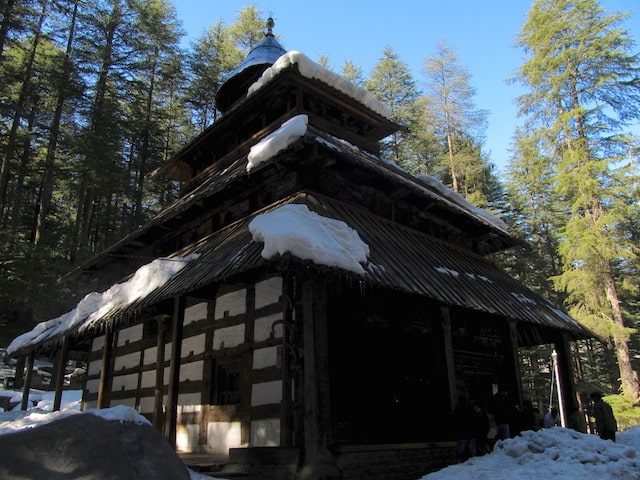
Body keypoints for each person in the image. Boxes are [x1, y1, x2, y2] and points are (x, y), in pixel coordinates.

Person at [452, 395, 477, 463]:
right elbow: (475, 421)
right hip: (471, 433)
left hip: (462, 434)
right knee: (472, 452)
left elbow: (455, 422)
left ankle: (458, 462)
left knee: (460, 452)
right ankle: (473, 463)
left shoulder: (457, 410)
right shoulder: (470, 410)